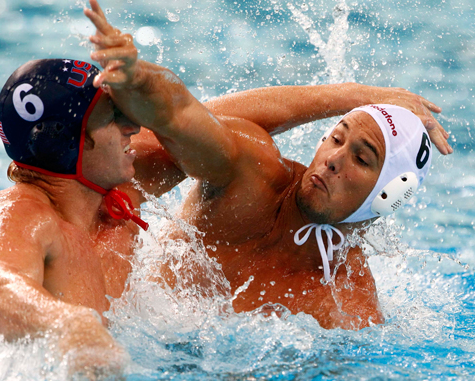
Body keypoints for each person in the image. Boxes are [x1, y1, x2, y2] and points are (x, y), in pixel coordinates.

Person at [0, 0, 450, 373]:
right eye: (115, 118)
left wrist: (139, 77)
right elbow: (3, 292)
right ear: (75, 146)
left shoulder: (120, 198)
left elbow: (184, 115)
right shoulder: (17, 217)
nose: (132, 129)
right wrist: (69, 327)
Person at [83, 0, 451, 331]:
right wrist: (138, 77)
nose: (334, 159)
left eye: (361, 158)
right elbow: (181, 117)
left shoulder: (348, 303)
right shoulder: (254, 174)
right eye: (336, 139)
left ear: (389, 195)